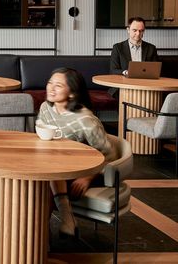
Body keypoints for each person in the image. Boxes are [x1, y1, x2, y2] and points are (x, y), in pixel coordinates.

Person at [38, 67, 117, 237]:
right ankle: (60, 223)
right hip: (55, 166)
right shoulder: (45, 108)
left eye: (58, 85)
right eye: (50, 83)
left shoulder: (85, 120)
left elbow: (110, 155)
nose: (51, 88)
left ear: (72, 93)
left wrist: (87, 177)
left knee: (44, 183)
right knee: (40, 178)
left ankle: (39, 238)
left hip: (83, 171)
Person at [109, 16, 159, 97]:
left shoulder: (151, 48)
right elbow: (113, 70)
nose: (138, 34)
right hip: (123, 86)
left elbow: (156, 71)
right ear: (128, 30)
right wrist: (126, 72)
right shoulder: (118, 48)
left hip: (146, 87)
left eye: (141, 31)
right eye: (135, 30)